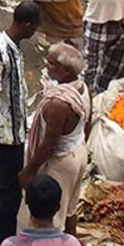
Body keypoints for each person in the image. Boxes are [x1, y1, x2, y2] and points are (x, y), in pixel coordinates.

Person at [0, 1, 40, 246]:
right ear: (26, 24)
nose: (35, 31)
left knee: (2, 184)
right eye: (35, 26)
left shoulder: (13, 48)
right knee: (10, 193)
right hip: (5, 135)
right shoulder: (0, 54)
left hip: (14, 130)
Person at [20, 42, 88, 230]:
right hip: (78, 150)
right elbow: (86, 123)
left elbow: (50, 144)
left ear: (66, 71)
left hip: (62, 162)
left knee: (50, 218)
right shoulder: (80, 87)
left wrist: (30, 170)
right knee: (70, 210)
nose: (46, 67)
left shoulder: (58, 103)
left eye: (51, 64)